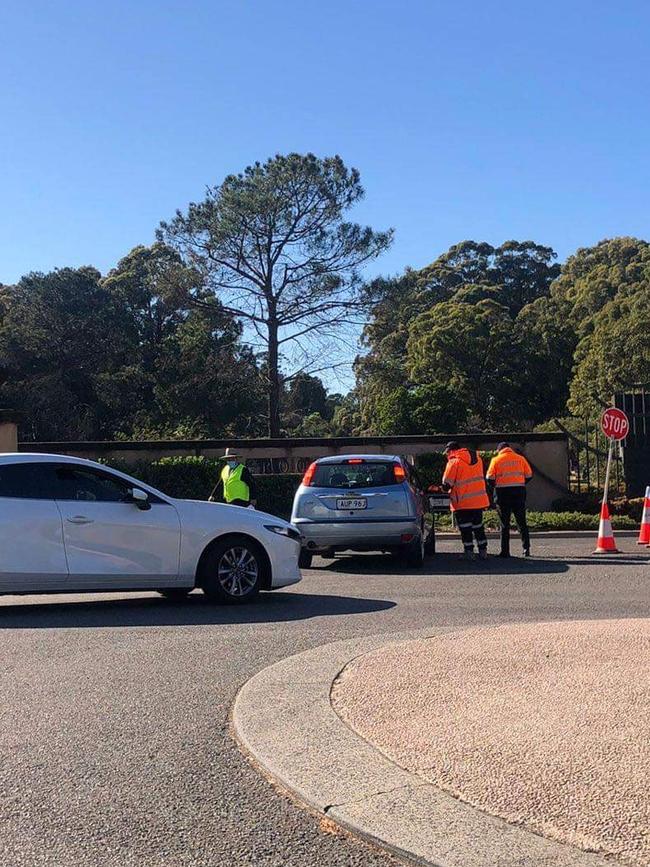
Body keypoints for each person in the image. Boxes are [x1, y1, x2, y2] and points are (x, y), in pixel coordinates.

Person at [442, 441, 490, 560]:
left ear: (452, 451)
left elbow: (447, 484)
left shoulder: (454, 462)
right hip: (478, 500)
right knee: (478, 526)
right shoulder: (477, 459)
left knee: (465, 528)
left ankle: (469, 552)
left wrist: (442, 488)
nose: (447, 455)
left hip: (462, 502)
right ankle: (483, 551)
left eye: (447, 452)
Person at [486, 442, 533, 558]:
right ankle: (526, 548)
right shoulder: (520, 459)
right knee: (521, 522)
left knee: (504, 524)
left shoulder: (496, 460)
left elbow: (489, 477)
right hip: (519, 492)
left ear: (499, 450)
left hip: (502, 494)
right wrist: (520, 483)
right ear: (509, 449)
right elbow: (529, 475)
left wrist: (496, 486)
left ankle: (505, 551)